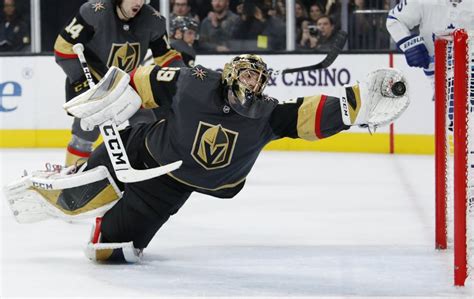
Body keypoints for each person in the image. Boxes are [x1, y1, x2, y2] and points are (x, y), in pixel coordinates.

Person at [5, 54, 409, 263]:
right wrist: (112, 97)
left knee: (111, 253)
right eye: (247, 75)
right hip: (141, 149)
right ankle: (72, 175)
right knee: (89, 182)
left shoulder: (268, 114)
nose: (252, 82)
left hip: (169, 189)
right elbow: (142, 81)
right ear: (232, 73)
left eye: (258, 78)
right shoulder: (195, 83)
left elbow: (312, 115)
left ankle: (106, 218)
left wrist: (359, 104)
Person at [54, 0, 185, 167]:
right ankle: (73, 171)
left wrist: (182, 75)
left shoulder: (153, 20)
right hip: (95, 81)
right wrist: (82, 82)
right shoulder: (94, 13)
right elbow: (63, 47)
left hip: (129, 81)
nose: (138, 2)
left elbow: (167, 57)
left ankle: (146, 168)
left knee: (146, 125)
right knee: (85, 130)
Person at [386, 0, 474, 95]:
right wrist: (409, 44)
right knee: (451, 105)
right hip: (438, 73)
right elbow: (395, 19)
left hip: (470, 68)